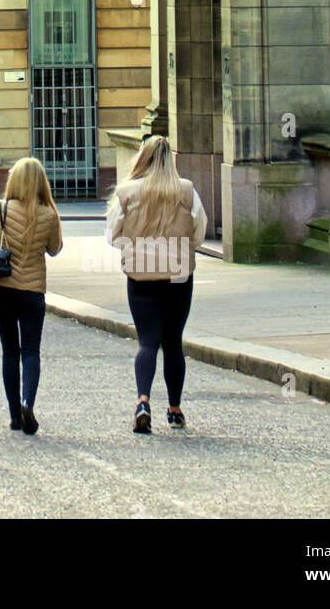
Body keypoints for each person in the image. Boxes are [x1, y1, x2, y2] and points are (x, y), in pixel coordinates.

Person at [106, 134, 208, 434]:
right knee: (173, 342)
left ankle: (142, 401)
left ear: (143, 158)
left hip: (141, 275)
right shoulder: (186, 190)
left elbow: (113, 234)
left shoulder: (127, 192)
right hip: (178, 275)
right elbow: (199, 232)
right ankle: (175, 409)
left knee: (147, 341)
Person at [0, 157, 63, 435]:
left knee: (10, 351)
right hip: (33, 291)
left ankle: (15, 414)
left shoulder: (0, 208)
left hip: (3, 289)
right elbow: (54, 249)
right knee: (31, 351)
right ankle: (28, 402)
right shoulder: (48, 214)